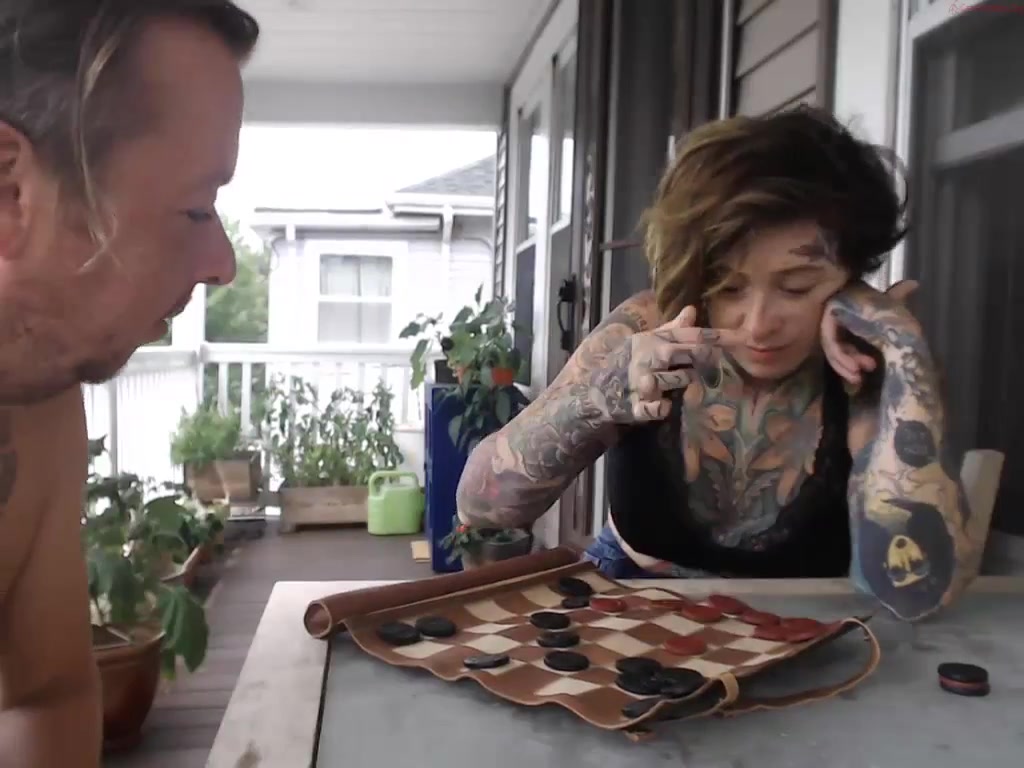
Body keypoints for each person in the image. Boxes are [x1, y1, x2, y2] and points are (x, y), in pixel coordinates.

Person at [456, 105, 974, 624]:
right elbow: (481, 508)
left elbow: (912, 594)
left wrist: (901, 349)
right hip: (632, 590)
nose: (759, 324)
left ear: (852, 274)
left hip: (805, 617)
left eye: (796, 287)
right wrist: (596, 399)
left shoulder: (874, 361)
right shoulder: (647, 326)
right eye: (728, 287)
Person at [0, 1, 259, 765]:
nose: (222, 264)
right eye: (196, 208)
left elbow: (42, 696)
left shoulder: (35, 395)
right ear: (11, 190)